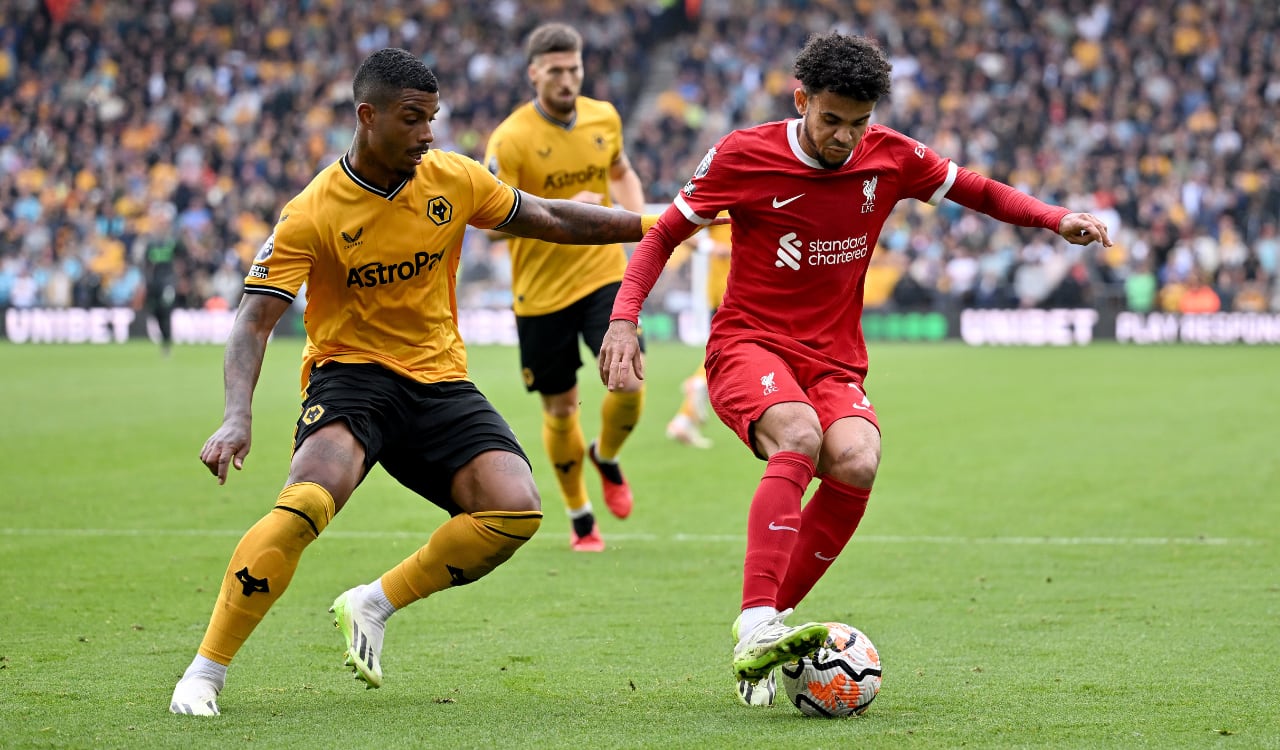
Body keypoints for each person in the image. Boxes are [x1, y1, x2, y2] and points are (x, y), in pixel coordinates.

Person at [597, 32, 1112, 707]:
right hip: (749, 345)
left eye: (859, 123)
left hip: (835, 359)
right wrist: (624, 318)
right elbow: (664, 233)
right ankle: (755, 620)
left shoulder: (891, 156)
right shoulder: (744, 155)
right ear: (801, 98)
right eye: (831, 120)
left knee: (858, 460)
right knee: (801, 436)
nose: (845, 137)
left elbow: (976, 190)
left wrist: (1055, 219)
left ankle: (764, 638)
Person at [169, 47, 662, 717]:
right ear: (367, 116)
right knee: (308, 503)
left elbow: (546, 216)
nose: (428, 133)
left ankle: (373, 602)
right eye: (412, 118)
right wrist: (236, 415)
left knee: (515, 510)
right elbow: (253, 323)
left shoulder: (452, 179)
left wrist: (657, 223)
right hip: (352, 380)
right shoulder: (311, 212)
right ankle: (204, 674)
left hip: (438, 381)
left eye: (433, 117)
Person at [483, 23, 647, 552]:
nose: (567, 78)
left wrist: (635, 218)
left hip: (602, 273)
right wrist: (563, 213)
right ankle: (581, 517)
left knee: (629, 381)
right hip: (541, 292)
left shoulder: (605, 117)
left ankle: (608, 456)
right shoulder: (510, 139)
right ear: (534, 73)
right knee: (561, 409)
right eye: (555, 70)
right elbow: (489, 218)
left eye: (574, 68)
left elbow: (620, 171)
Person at [665, 219, 731, 450]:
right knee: (726, 354)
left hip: (735, 290)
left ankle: (683, 421)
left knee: (722, 353)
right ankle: (698, 380)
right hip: (732, 292)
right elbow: (678, 228)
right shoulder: (726, 198)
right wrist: (710, 247)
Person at [139, 202, 187, 356]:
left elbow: (184, 259)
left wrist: (181, 278)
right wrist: (145, 281)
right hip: (153, 282)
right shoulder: (151, 243)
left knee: (166, 310)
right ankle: (164, 339)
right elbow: (146, 263)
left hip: (168, 280)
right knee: (154, 311)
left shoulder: (174, 241)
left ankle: (167, 343)